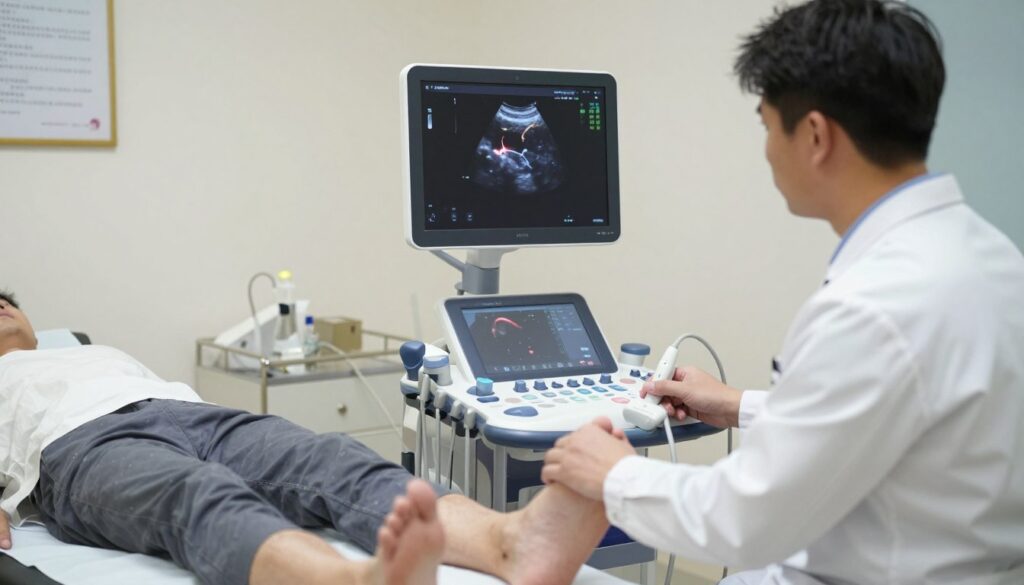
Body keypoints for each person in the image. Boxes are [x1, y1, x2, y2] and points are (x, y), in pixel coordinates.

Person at [541, 0, 1024, 583]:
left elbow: (746, 518)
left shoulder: (872, 307)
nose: (768, 148)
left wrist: (612, 473)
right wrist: (740, 404)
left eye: (769, 125)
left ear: (816, 135)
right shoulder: (991, 256)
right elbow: (901, 413)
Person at [0, 289, 610, 585]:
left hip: (190, 414)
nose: (1, 307)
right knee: (196, 493)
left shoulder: (94, 349)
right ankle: (345, 581)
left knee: (329, 458)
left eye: (6, 300)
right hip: (80, 447)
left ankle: (511, 541)